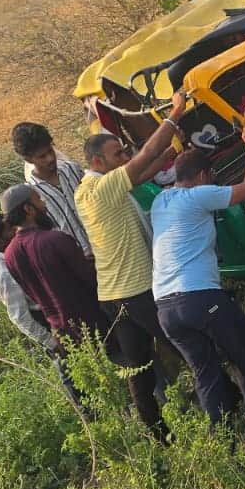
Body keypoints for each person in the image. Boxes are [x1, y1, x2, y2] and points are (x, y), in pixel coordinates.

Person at [0, 183, 169, 442]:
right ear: (28, 209)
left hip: (62, 331)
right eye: (38, 200)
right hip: (94, 320)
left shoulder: (10, 254)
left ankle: (143, 430)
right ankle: (164, 422)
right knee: (140, 366)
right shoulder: (54, 240)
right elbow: (91, 279)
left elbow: (33, 294)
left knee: (114, 380)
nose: (44, 204)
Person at [150, 120, 245, 437]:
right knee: (240, 350)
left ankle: (224, 440)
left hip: (165, 308)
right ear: (203, 177)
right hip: (198, 297)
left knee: (205, 373)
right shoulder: (198, 195)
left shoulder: (160, 201)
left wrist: (175, 144)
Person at [75, 92, 189, 395]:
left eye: (126, 151)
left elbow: (139, 174)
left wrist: (166, 156)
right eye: (119, 154)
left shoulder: (88, 188)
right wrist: (175, 113)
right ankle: (225, 401)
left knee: (139, 368)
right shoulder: (103, 187)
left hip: (113, 294)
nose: (125, 157)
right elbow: (144, 156)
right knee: (183, 344)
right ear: (98, 161)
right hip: (136, 290)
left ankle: (156, 429)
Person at [0, 214, 86, 412]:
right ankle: (89, 413)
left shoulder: (13, 250)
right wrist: (51, 342)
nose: (15, 228)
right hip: (41, 320)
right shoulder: (2, 272)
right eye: (9, 228)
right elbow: (20, 316)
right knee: (67, 366)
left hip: (52, 308)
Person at [13, 122, 92, 257]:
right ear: (29, 159)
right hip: (76, 260)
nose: (50, 159)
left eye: (50, 151)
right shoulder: (32, 194)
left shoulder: (71, 169)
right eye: (42, 157)